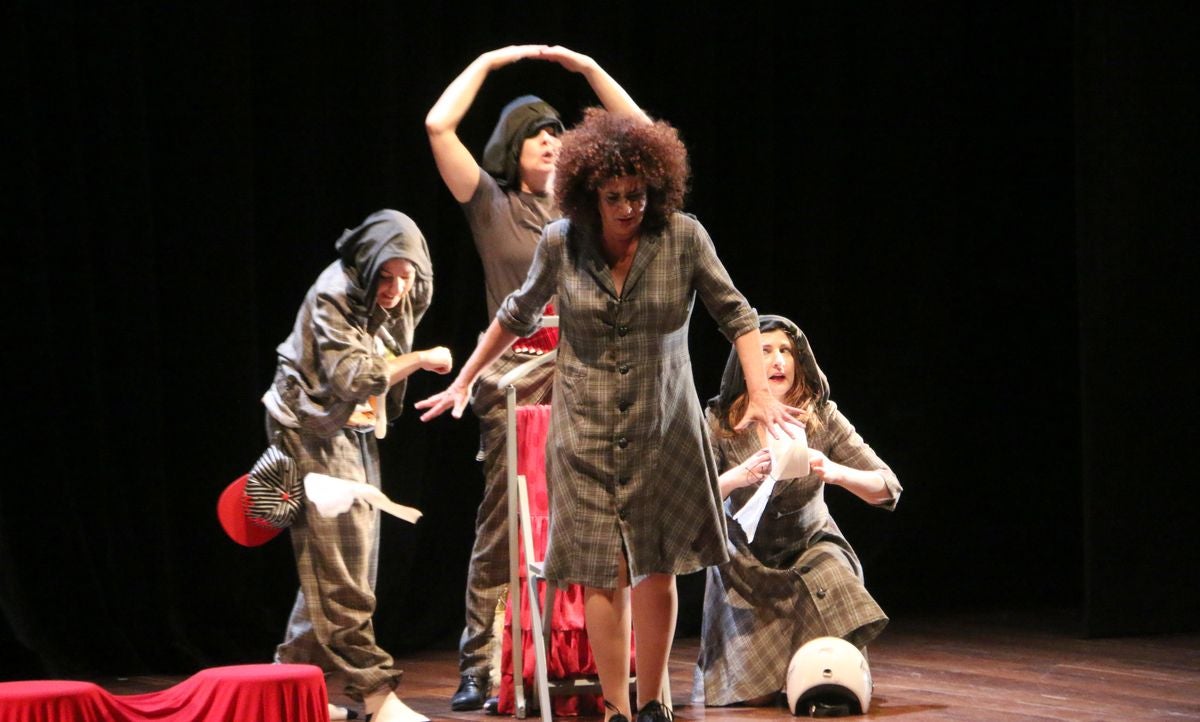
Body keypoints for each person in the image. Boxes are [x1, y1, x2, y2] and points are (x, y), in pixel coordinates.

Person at [416, 108, 803, 722]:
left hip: (663, 429)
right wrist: (467, 378)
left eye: (638, 194)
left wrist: (758, 390)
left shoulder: (682, 237)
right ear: (587, 193)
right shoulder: (560, 243)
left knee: (656, 567)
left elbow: (737, 314)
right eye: (614, 196)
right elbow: (516, 314)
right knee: (605, 572)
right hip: (586, 433)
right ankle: (618, 709)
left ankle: (653, 704)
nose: (628, 208)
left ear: (657, 186)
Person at [425, 44, 650, 712]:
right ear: (511, 148)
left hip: (589, 378)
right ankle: (479, 663)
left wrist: (586, 71)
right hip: (516, 381)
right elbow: (438, 125)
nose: (552, 144)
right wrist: (492, 63)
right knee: (504, 522)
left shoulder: (587, 210)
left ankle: (597, 658)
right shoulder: (491, 205)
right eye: (537, 135)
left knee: (606, 521)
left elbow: (644, 134)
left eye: (559, 135)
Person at [262, 209, 453, 722]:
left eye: (404, 276)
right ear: (367, 266)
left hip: (355, 427)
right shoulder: (334, 293)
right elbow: (352, 377)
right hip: (309, 428)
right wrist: (419, 358)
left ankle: (287, 690)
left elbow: (414, 286)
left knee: (340, 565)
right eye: (385, 277)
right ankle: (374, 694)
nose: (394, 289)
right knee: (342, 566)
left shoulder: (412, 280)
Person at [694, 314, 902, 707]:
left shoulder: (822, 417)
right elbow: (690, 498)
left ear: (799, 360)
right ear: (746, 364)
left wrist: (834, 470)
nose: (777, 361)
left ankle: (831, 678)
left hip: (811, 547)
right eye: (765, 351)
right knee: (753, 699)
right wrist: (736, 477)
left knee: (832, 573)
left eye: (786, 351)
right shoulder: (721, 421)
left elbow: (887, 488)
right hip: (746, 565)